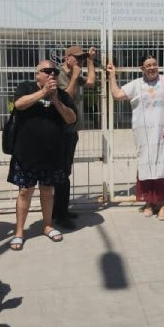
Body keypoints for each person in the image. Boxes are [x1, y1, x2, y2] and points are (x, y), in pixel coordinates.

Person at [7, 60, 77, 250]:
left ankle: (47, 226)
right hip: (26, 154)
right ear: (37, 74)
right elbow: (19, 105)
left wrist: (55, 99)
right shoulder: (25, 87)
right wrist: (43, 93)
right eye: (47, 71)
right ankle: (19, 232)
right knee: (24, 192)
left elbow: (71, 118)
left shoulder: (61, 95)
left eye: (54, 71)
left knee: (48, 191)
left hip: (51, 154)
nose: (52, 74)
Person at [106, 55, 164, 220]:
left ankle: (162, 204)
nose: (152, 67)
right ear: (142, 68)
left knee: (163, 166)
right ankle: (149, 202)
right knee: (145, 165)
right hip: (144, 134)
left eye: (154, 64)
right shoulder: (136, 84)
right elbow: (117, 95)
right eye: (148, 65)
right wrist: (112, 75)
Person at [55, 44, 98, 229]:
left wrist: (90, 61)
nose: (80, 61)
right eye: (78, 58)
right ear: (68, 58)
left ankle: (61, 210)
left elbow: (90, 82)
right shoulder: (58, 75)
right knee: (61, 174)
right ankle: (60, 214)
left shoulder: (76, 72)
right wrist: (73, 76)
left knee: (65, 172)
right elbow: (67, 98)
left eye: (82, 58)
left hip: (71, 132)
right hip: (59, 132)